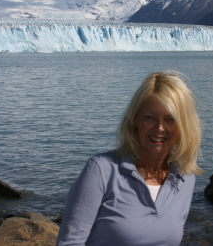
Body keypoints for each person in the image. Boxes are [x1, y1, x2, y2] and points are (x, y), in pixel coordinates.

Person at [55, 71, 203, 246]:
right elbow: (70, 242)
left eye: (170, 119)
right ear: (135, 120)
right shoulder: (101, 170)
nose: (160, 128)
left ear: (184, 125)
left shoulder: (185, 178)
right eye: (150, 117)